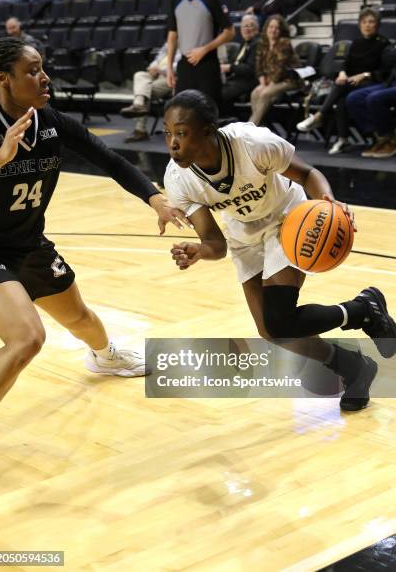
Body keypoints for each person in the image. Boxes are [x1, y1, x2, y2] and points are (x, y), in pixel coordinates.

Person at [0, 37, 191, 416]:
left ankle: (105, 357)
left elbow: (110, 160)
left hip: (29, 244)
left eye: (43, 68)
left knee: (81, 318)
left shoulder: (49, 122)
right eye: (32, 72)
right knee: (27, 338)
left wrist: (155, 198)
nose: (44, 78)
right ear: (3, 78)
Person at [163, 89, 396, 412]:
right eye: (168, 134)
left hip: (289, 220)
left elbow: (308, 174)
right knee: (272, 332)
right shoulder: (178, 179)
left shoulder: (252, 143)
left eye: (181, 133)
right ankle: (354, 360)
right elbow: (216, 244)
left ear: (208, 131)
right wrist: (199, 250)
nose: (172, 143)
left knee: (280, 319)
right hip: (243, 236)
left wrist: (326, 201)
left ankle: (361, 312)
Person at [297, 8, 389, 155]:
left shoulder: (383, 44)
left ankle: (320, 116)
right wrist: (342, 72)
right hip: (352, 83)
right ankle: (343, 140)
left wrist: (364, 75)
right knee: (341, 99)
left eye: (371, 22)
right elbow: (346, 64)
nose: (367, 25)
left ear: (377, 24)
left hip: (373, 83)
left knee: (342, 87)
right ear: (359, 25)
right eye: (364, 22)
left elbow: (384, 71)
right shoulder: (356, 43)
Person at [166, 0, 235, 105]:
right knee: (182, 112)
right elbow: (172, 35)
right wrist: (169, 68)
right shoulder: (175, 0)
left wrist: (204, 49)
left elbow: (230, 32)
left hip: (208, 64)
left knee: (208, 114)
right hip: (184, 65)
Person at [120, 43, 181, 143]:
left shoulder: (186, 46)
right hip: (156, 76)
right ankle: (139, 104)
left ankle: (140, 129)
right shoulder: (168, 44)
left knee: (143, 91)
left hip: (171, 79)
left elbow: (179, 67)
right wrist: (152, 68)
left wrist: (161, 70)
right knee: (139, 75)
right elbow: (157, 59)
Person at [249, 14, 300, 127]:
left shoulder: (284, 43)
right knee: (255, 93)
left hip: (289, 79)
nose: (273, 30)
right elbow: (259, 65)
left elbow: (280, 68)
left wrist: (269, 85)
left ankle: (251, 127)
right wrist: (262, 82)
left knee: (265, 94)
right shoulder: (263, 43)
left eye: (277, 28)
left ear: (281, 30)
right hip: (270, 79)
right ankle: (259, 127)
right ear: (266, 28)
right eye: (271, 27)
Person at [346, 49, 396, 158]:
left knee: (374, 98)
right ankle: (379, 137)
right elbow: (386, 69)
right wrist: (367, 74)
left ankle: (390, 138)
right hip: (391, 82)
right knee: (354, 98)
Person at [220, 14, 260, 115]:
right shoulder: (245, 43)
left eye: (250, 26)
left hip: (249, 81)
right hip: (237, 80)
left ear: (257, 29)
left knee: (219, 93)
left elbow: (250, 69)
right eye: (244, 26)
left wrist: (230, 67)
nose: (246, 29)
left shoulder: (257, 44)